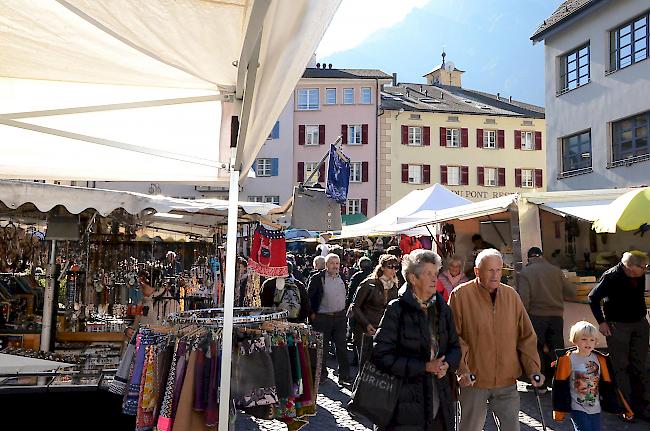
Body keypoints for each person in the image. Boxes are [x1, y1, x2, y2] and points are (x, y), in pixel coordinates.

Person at [448, 248, 543, 431]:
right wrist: (463, 369)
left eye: (498, 270)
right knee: (470, 428)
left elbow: (526, 336)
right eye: (489, 270)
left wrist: (533, 369)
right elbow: (454, 337)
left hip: (507, 380)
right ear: (477, 271)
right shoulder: (460, 295)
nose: (495, 275)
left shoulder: (511, 296)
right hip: (475, 380)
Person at [373, 249, 461, 430]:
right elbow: (381, 356)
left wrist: (447, 365)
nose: (434, 279)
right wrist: (424, 367)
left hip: (440, 400)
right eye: (428, 274)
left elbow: (455, 347)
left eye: (435, 273)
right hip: (404, 404)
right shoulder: (396, 309)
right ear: (413, 278)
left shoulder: (443, 308)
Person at [588, 250, 650, 420]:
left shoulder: (639, 275)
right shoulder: (611, 277)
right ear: (630, 267)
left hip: (639, 322)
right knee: (621, 367)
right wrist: (601, 322)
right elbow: (593, 298)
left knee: (640, 365)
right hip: (618, 325)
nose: (645, 270)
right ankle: (626, 407)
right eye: (642, 267)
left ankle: (643, 405)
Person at [551, 321, 634, 430]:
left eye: (592, 340)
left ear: (596, 342)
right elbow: (559, 386)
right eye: (584, 339)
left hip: (595, 407)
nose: (588, 343)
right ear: (575, 340)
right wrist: (559, 412)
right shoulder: (567, 359)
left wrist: (624, 408)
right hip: (577, 407)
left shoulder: (601, 360)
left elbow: (611, 385)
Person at [517, 246, 576, 391]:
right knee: (557, 350)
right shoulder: (556, 271)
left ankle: (540, 383)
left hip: (536, 317)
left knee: (536, 349)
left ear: (529, 258)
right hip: (556, 316)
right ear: (542, 256)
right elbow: (571, 292)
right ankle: (561, 382)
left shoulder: (525, 273)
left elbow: (524, 299)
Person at [349, 254, 400, 366]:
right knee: (365, 365)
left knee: (379, 366)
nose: (393, 269)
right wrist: (366, 324)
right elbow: (355, 306)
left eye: (396, 267)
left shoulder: (394, 285)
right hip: (364, 329)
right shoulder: (369, 283)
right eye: (390, 266)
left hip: (383, 330)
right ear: (382, 267)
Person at [307, 253, 351, 385]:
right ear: (326, 265)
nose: (335, 266)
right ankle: (321, 375)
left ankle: (344, 376)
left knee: (342, 347)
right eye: (332, 263)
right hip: (322, 318)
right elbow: (309, 297)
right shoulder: (317, 278)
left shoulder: (342, 276)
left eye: (337, 263)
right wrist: (312, 314)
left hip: (340, 317)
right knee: (322, 348)